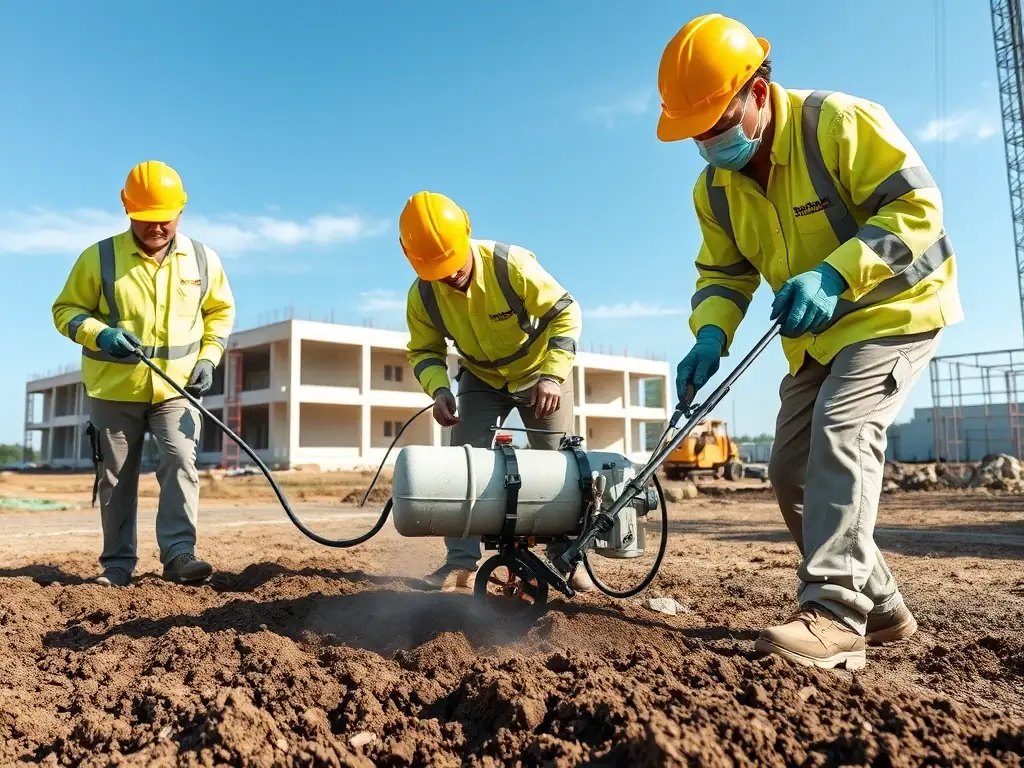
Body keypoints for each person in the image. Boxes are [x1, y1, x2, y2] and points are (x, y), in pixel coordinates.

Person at [656, 14, 962, 669]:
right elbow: (724, 270)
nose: (709, 144)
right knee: (790, 469)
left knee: (843, 428)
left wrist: (833, 273)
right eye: (696, 135)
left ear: (758, 95)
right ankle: (880, 607)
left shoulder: (839, 124)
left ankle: (834, 615)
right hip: (817, 337)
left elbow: (918, 208)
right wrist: (710, 334)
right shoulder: (715, 188)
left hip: (894, 308)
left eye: (716, 125)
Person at [52, 160, 235, 587]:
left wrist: (209, 358)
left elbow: (220, 313)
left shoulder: (203, 260)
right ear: (128, 210)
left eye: (164, 220)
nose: (156, 228)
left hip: (176, 388)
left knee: (179, 461)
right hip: (114, 389)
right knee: (114, 477)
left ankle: (178, 556)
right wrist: (100, 333)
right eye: (146, 219)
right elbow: (65, 312)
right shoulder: (98, 257)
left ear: (180, 212)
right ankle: (117, 565)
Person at [400, 190, 593, 592]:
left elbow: (566, 312)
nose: (449, 275)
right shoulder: (422, 295)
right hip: (481, 378)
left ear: (467, 233)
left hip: (541, 373)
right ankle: (459, 564)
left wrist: (553, 376)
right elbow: (424, 350)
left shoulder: (510, 265)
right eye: (437, 269)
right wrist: (438, 390)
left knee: (561, 468)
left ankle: (567, 561)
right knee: (461, 467)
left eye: (452, 263)